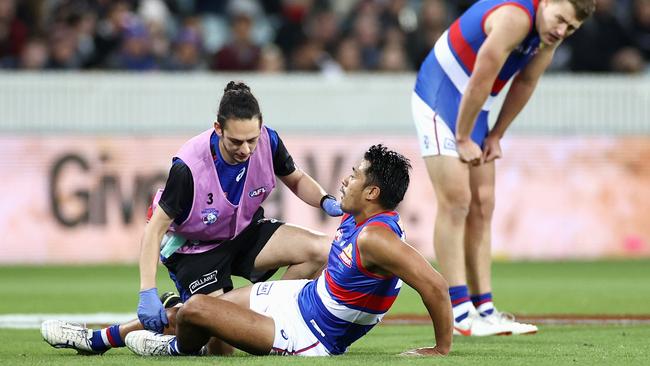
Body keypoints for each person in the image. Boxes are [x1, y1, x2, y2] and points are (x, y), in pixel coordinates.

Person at [41, 81, 344, 354]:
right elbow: (154, 231)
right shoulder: (188, 168)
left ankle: (266, 327)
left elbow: (296, 178)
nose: (246, 149)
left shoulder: (268, 141)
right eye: (236, 142)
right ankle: (106, 338)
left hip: (244, 233)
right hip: (195, 251)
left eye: (252, 139)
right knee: (221, 347)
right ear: (218, 128)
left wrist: (324, 199)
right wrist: (147, 291)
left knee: (321, 250)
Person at [123, 144, 453, 357]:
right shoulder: (357, 221)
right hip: (301, 298)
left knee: (197, 310)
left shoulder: (376, 238)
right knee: (200, 310)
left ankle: (175, 349)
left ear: (372, 192)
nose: (344, 181)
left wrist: (440, 349)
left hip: (306, 334)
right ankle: (102, 338)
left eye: (353, 177)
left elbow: (434, 285)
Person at [411, 0, 595, 336]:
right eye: (560, 20)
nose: (561, 31)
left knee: (483, 205)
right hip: (440, 95)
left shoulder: (547, 35)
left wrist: (496, 134)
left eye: (571, 28)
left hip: (477, 106)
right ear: (547, 2)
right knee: (457, 202)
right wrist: (464, 136)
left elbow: (524, 84)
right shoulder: (514, 17)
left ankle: (485, 308)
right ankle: (460, 311)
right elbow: (482, 76)